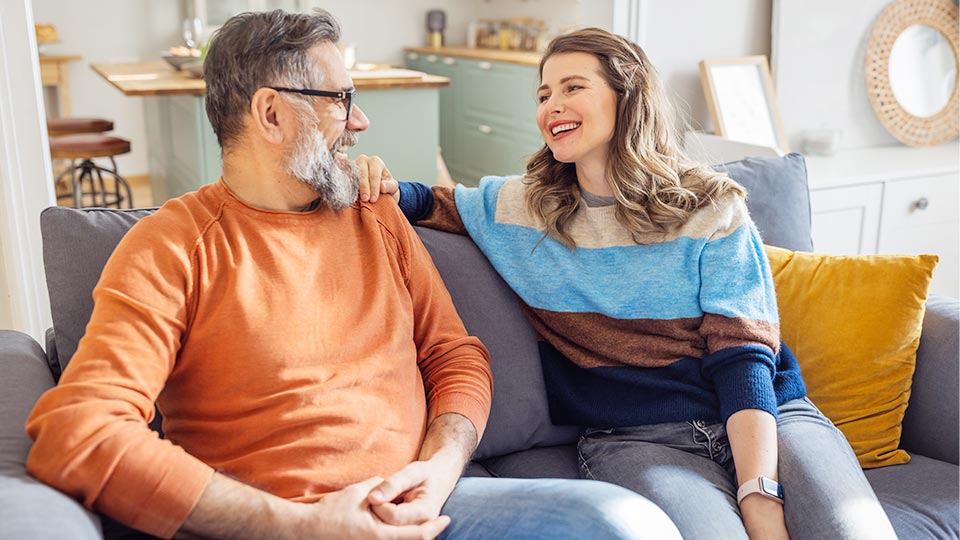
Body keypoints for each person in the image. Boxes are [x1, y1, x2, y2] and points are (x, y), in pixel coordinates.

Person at [24, 12, 681, 540]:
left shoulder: (374, 216)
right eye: (342, 100)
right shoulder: (171, 247)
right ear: (273, 115)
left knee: (628, 524)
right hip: (278, 524)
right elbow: (78, 432)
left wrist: (439, 468)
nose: (361, 121)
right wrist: (304, 526)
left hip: (433, 510)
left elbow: (456, 357)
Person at [370, 27, 898, 540]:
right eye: (544, 93)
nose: (552, 105)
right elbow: (427, 201)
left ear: (628, 96)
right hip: (634, 438)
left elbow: (741, 355)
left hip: (770, 419)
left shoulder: (711, 207)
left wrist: (759, 495)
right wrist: (373, 178)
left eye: (574, 87)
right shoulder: (519, 208)